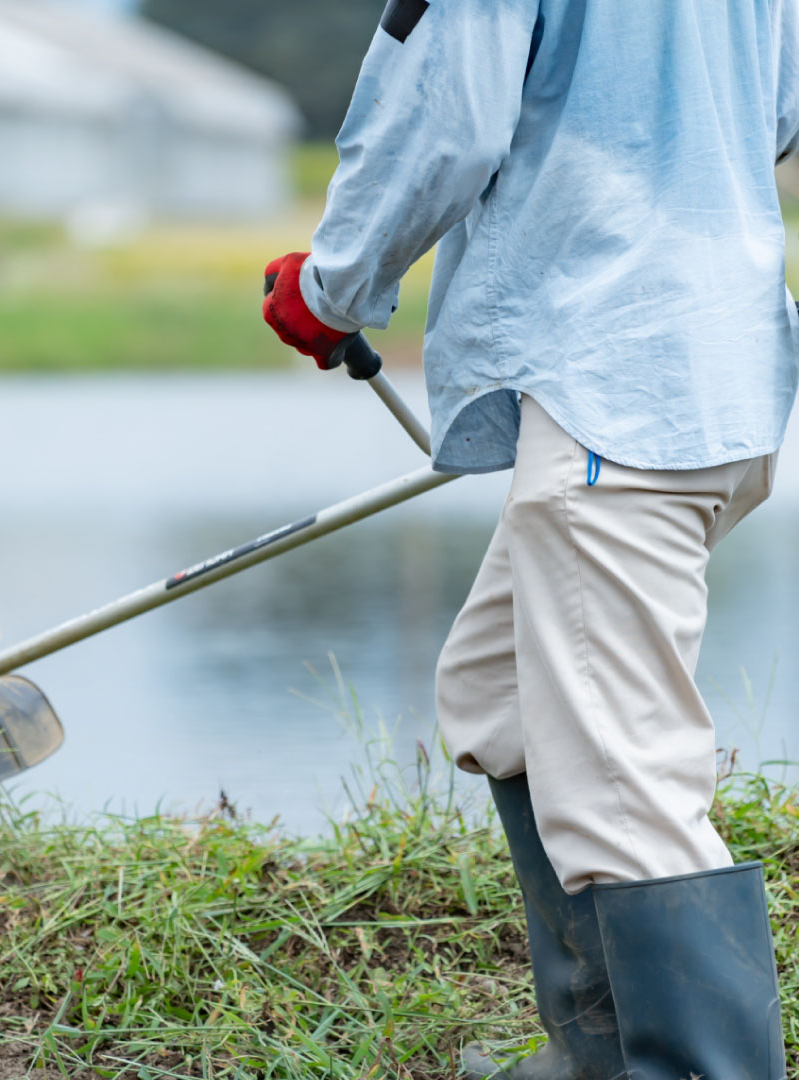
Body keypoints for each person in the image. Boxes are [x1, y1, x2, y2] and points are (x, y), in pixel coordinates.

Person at [262, 1, 797, 1076]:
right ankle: (602, 1053)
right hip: (719, 372)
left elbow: (444, 115)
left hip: (614, 387)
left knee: (624, 794)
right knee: (499, 692)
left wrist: (334, 287)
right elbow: (775, 112)